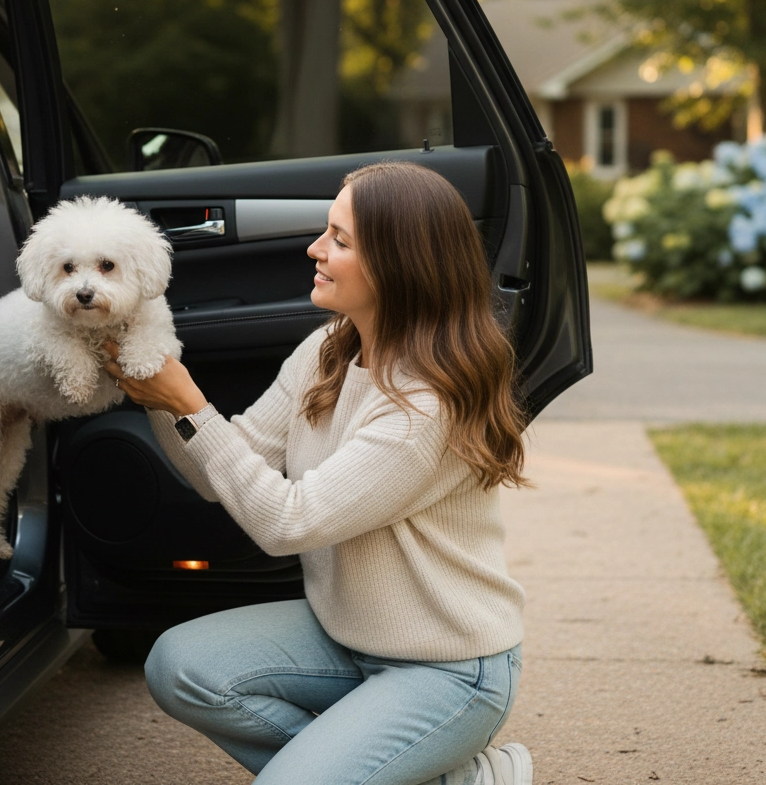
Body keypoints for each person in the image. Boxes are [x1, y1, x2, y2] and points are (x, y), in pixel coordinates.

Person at [104, 161, 533, 785]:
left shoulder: (425, 406)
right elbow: (217, 470)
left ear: (399, 265)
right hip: (343, 638)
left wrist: (189, 401)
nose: (315, 249)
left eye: (340, 239)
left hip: (446, 670)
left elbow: (288, 522)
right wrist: (163, 403)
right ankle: (449, 780)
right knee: (180, 666)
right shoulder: (331, 348)